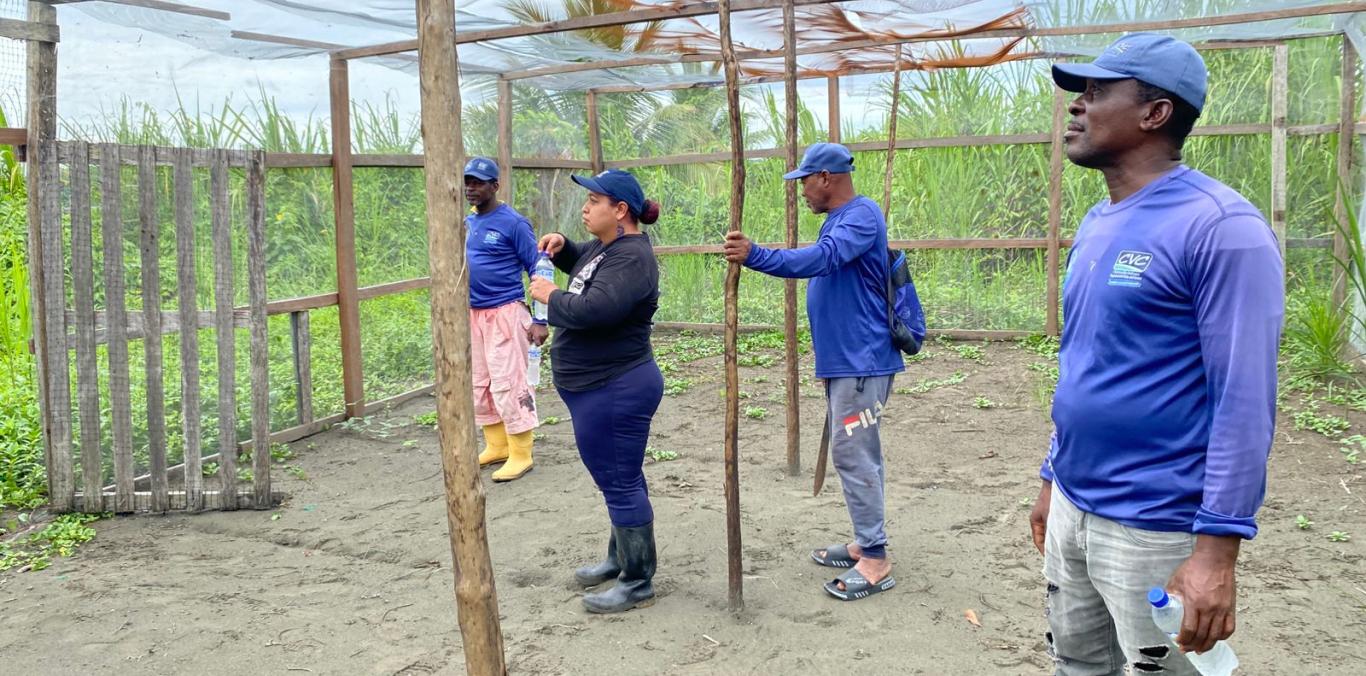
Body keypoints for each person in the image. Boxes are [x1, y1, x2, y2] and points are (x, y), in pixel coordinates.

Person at [1028, 33, 1284, 675]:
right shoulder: (1098, 222)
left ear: (1155, 113)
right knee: (1077, 667)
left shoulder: (1222, 230)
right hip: (1074, 510)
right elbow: (1087, 363)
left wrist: (1216, 553)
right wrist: (1052, 479)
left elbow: (1244, 401)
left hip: (1155, 527)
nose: (1076, 107)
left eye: (1094, 93)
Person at [722, 143, 904, 601]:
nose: (800, 190)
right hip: (848, 362)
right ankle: (866, 540)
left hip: (863, 363)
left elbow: (819, 260)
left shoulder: (861, 217)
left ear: (825, 177)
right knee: (859, 451)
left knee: (853, 453)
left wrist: (756, 255)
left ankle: (877, 559)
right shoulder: (840, 221)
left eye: (804, 180)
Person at [528, 168, 664, 614]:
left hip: (616, 387)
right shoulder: (610, 249)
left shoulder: (632, 258)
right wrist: (565, 249)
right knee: (617, 476)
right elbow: (588, 263)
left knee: (619, 479)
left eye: (594, 202)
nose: (584, 208)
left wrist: (549, 295)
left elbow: (597, 308)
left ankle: (638, 578)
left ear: (620, 211)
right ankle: (621, 557)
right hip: (599, 386)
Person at [464, 157, 548, 483]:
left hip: (504, 312)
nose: (471, 188)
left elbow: (538, 268)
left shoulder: (513, 223)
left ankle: (521, 452)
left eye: (479, 182)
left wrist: (540, 319)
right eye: (468, 181)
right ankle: (496, 445)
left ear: (495, 186)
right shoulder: (468, 223)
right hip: (473, 314)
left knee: (509, 380)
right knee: (480, 381)